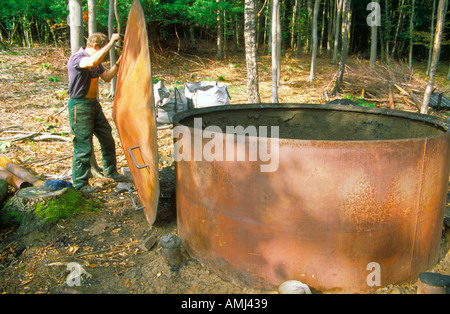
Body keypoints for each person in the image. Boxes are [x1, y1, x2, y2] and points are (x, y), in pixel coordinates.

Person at [67, 32, 125, 193]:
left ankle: (110, 171)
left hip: (94, 105)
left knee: (107, 137)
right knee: (83, 146)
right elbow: (91, 61)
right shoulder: (78, 58)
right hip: (80, 106)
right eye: (104, 48)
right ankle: (80, 184)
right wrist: (111, 43)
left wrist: (119, 63)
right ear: (96, 46)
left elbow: (107, 77)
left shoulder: (97, 63)